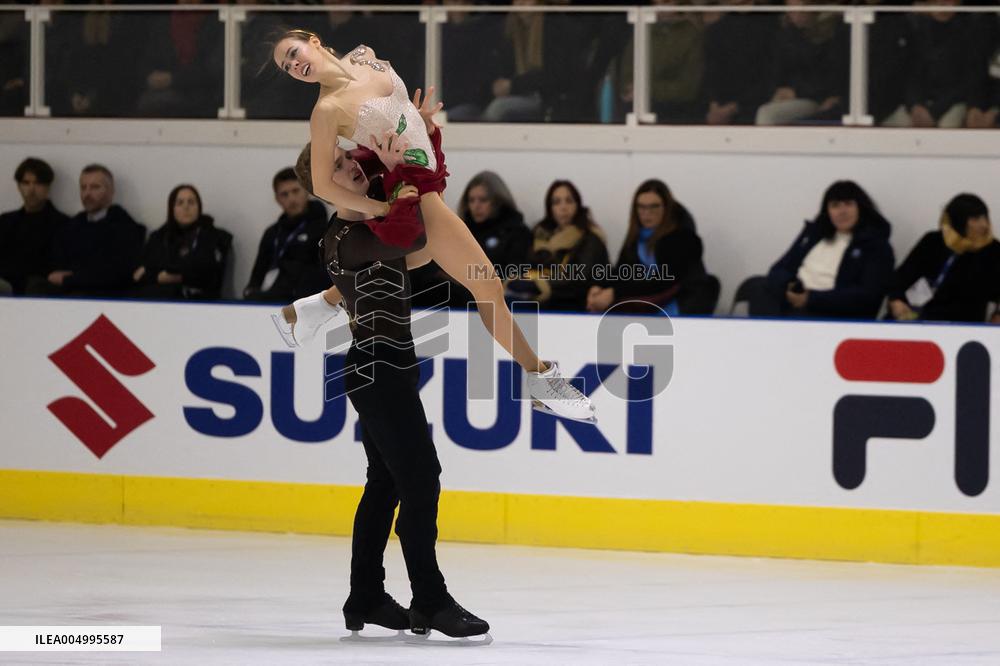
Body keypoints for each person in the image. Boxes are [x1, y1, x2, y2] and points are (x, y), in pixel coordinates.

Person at [271, 30, 594, 422]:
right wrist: (381, 205)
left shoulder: (363, 54)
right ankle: (540, 378)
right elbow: (322, 184)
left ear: (313, 41)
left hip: (425, 173)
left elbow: (398, 111)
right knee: (486, 284)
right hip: (412, 189)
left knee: (418, 258)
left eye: (293, 53)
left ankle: (317, 306)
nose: (294, 66)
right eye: (286, 67)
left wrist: (419, 121)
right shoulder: (325, 111)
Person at [276, 138, 492, 642]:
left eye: (349, 157)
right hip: (379, 369)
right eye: (339, 165)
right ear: (321, 187)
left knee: (387, 483)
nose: (352, 164)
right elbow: (419, 234)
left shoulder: (349, 231)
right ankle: (430, 600)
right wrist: (418, 161)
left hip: (386, 365)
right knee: (420, 480)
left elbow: (413, 244)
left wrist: (420, 155)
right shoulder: (357, 236)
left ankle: (365, 594)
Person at [753, 181, 895, 319]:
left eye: (848, 204)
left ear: (861, 208)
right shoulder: (813, 235)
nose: (842, 211)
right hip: (795, 302)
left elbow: (868, 296)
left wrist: (811, 299)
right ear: (827, 211)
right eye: (835, 206)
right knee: (759, 287)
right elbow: (779, 268)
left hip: (831, 312)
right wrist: (789, 284)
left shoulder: (876, 246)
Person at [587, 179, 713, 315]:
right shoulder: (636, 238)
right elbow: (622, 273)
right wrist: (600, 287)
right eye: (641, 207)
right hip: (646, 307)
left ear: (667, 208)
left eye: (654, 207)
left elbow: (663, 281)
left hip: (681, 308)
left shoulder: (683, 239)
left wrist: (614, 293)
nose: (647, 213)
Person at [26, 164, 144, 298]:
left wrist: (71, 279)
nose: (87, 194)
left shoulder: (126, 228)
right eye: (83, 187)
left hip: (102, 296)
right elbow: (55, 265)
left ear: (111, 191)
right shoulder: (70, 226)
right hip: (66, 292)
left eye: (95, 187)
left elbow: (117, 273)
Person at [887, 193, 1000, 323]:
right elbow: (903, 275)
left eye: (984, 217)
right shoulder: (933, 241)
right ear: (959, 220)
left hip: (964, 324)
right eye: (975, 219)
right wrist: (895, 300)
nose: (983, 224)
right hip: (917, 318)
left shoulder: (992, 250)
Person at [507, 180, 609, 312]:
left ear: (578, 205)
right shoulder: (539, 236)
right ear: (550, 208)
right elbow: (527, 266)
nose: (563, 207)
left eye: (569, 201)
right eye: (556, 202)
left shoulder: (590, 239)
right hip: (540, 302)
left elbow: (578, 280)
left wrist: (538, 285)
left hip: (575, 305)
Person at [243, 167, 329, 303]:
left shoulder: (325, 229)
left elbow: (327, 274)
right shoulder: (272, 233)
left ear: (306, 191)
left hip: (309, 303)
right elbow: (258, 274)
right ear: (277, 198)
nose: (291, 199)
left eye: (295, 191)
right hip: (269, 301)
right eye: (284, 194)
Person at [132, 184, 232, 300]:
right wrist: (163, 276)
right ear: (172, 208)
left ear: (199, 207)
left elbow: (207, 274)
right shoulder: (158, 237)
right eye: (180, 203)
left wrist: (160, 273)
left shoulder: (212, 236)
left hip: (199, 304)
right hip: (159, 303)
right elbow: (138, 276)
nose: (186, 207)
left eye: (191, 202)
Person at [0, 158, 68, 295]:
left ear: (47, 187)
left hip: (37, 289)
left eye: (38, 183)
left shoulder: (63, 224)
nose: (31, 190)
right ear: (19, 186)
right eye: (26, 183)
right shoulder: (5, 221)